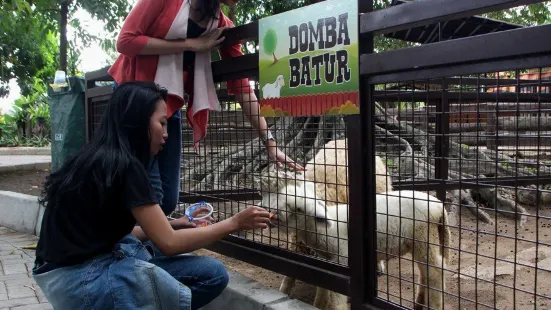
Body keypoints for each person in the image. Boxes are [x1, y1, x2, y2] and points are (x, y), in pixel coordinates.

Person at [32, 82, 273, 310]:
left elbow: (107, 233)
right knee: (212, 275)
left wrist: (176, 223)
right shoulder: (126, 166)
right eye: (162, 123)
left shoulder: (96, 156)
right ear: (138, 124)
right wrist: (234, 223)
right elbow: (169, 244)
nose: (166, 134)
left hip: (55, 278)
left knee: (146, 250)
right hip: (80, 281)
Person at [108, 0, 305, 216]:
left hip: (168, 105)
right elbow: (125, 41)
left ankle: (147, 242)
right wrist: (191, 44)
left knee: (169, 198)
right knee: (147, 190)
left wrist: (270, 143)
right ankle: (132, 244)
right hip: (134, 100)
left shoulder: (221, 25)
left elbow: (242, 87)